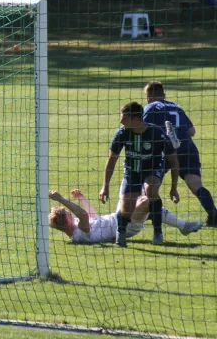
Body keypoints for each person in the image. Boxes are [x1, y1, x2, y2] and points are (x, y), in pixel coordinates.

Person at [99, 102, 180, 247]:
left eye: (124, 118)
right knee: (126, 210)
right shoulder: (122, 133)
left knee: (151, 191)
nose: (121, 121)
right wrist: (105, 187)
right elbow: (111, 161)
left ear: (136, 120)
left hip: (153, 168)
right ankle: (121, 231)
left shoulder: (157, 133)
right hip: (132, 171)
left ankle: (157, 233)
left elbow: (173, 162)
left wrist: (174, 188)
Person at [143, 81, 217, 226]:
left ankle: (153, 214)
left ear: (149, 97)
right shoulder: (177, 106)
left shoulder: (150, 108)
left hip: (166, 149)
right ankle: (213, 213)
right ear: (163, 95)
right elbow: (192, 131)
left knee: (149, 184)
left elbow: (144, 129)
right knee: (195, 183)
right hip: (188, 148)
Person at [49, 189, 202, 244]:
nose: (72, 214)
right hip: (124, 226)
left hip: (118, 217)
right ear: (67, 221)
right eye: (69, 214)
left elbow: (92, 216)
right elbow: (82, 215)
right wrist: (61, 199)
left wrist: (81, 198)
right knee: (148, 201)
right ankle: (180, 227)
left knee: (135, 194)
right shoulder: (79, 235)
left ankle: (183, 226)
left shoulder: (78, 226)